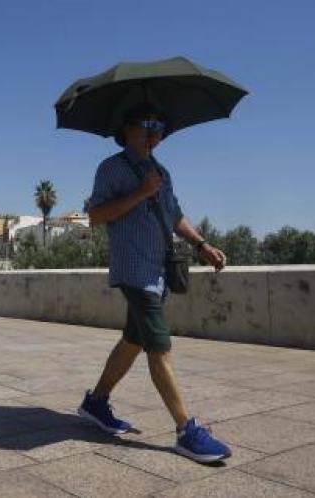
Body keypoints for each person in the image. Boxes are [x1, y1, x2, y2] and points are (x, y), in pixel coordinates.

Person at [78, 102, 232, 463]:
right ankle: (186, 430)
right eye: (147, 124)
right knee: (159, 346)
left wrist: (202, 245)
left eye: (160, 125)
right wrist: (142, 192)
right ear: (126, 127)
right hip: (133, 270)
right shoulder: (112, 168)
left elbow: (174, 214)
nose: (155, 132)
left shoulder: (161, 171)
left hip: (159, 269)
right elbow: (96, 215)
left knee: (133, 340)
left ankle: (95, 403)